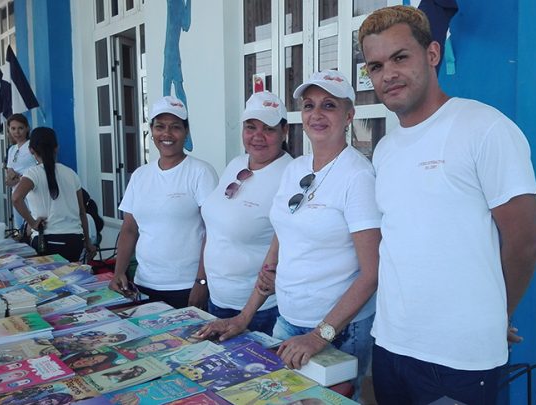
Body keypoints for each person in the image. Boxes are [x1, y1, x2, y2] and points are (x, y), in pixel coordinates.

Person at [358, 6, 536, 404]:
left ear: (432, 54)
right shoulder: (386, 150)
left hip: (460, 358)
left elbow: (526, 240)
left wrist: (498, 313)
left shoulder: (484, 128)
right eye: (375, 66)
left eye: (400, 57)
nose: (387, 74)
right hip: (391, 345)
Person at [198, 70, 381, 399]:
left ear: (349, 115)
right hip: (288, 319)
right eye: (309, 105)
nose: (317, 114)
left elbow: (372, 273)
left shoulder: (358, 176)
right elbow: (279, 243)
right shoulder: (298, 168)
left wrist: (319, 336)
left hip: (340, 330)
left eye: (329, 105)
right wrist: (244, 316)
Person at [189, 91, 293, 335]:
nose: (257, 137)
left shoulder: (291, 175)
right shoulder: (236, 163)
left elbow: (294, 243)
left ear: (284, 131)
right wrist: (202, 281)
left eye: (268, 128)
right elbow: (213, 230)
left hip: (260, 311)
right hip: (217, 299)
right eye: (250, 127)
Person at [108, 96, 218, 309]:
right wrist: (119, 271)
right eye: (160, 127)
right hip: (142, 284)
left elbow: (213, 231)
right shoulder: (140, 175)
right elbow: (129, 229)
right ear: (151, 131)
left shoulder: (201, 172)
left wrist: (201, 281)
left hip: (186, 286)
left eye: (175, 127)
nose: (167, 134)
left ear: (186, 131)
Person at [12, 127, 96, 262]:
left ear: (31, 150)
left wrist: (32, 223)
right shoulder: (71, 174)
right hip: (74, 241)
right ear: (56, 148)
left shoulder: (32, 173)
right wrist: (88, 242)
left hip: (47, 241)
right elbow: (82, 212)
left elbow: (16, 198)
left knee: (48, 281)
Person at [4, 114, 36, 229]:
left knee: (32, 225)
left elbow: (39, 168)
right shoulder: (12, 149)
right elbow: (9, 175)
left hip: (32, 193)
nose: (16, 132)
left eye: (20, 128)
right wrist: (11, 179)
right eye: (13, 128)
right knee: (20, 227)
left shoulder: (32, 146)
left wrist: (20, 178)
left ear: (27, 128)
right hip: (16, 194)